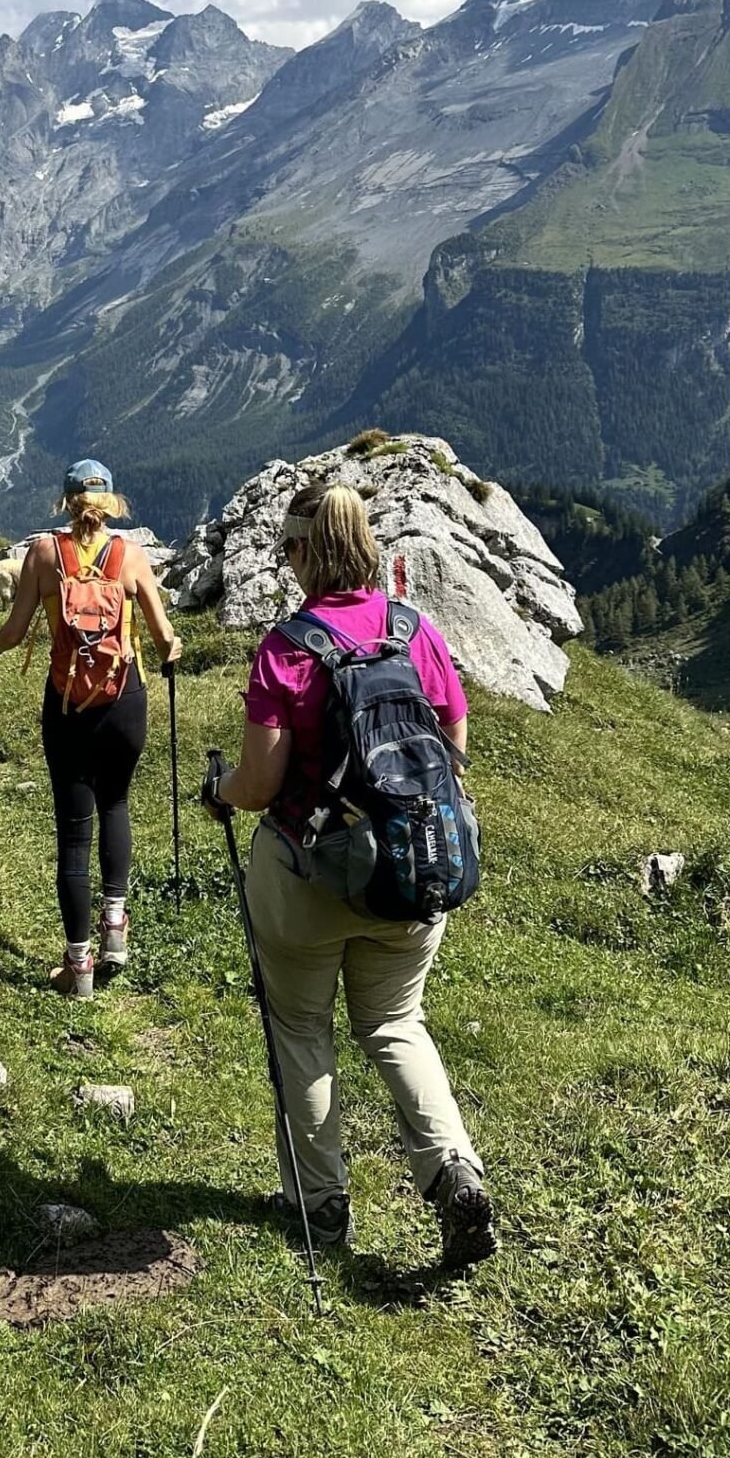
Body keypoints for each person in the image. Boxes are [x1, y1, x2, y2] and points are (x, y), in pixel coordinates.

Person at [202, 481, 496, 1269]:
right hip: (414, 871)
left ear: (303, 552)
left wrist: (220, 789)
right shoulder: (414, 632)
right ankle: (453, 1171)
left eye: (287, 551)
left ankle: (321, 1207)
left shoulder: (288, 648)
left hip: (310, 876)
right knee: (397, 1024)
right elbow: (454, 737)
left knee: (302, 1031)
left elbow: (261, 786)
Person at [0, 458, 181, 996]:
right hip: (125, 701)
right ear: (112, 504)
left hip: (67, 702)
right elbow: (163, 637)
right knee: (116, 804)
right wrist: (173, 649)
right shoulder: (131, 557)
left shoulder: (45, 555)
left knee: (74, 832)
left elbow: (16, 633)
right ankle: (115, 926)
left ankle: (79, 967)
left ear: (66, 503)